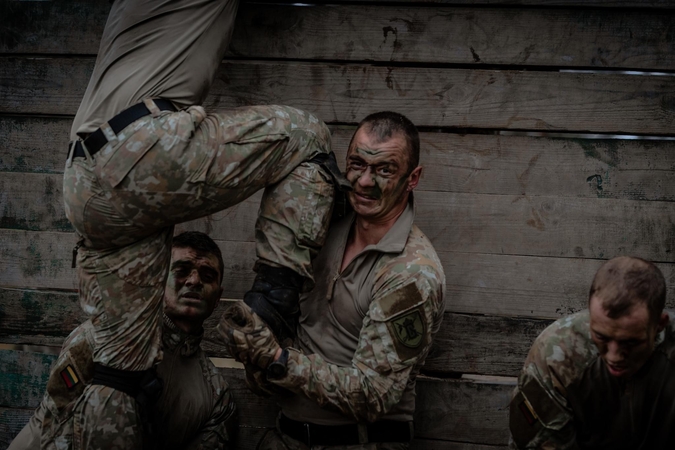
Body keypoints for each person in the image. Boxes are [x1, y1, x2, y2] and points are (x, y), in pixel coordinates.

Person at [63, 0, 348, 446]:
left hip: (82, 183)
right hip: (136, 154)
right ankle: (272, 308)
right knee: (307, 135)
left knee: (119, 371)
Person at [220, 111, 446, 449]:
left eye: (384, 170)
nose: (365, 181)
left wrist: (280, 361)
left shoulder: (411, 274)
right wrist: (258, 347)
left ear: (413, 178)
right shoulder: (325, 231)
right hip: (287, 437)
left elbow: (374, 395)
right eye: (356, 164)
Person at [8, 231, 237, 450]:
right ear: (158, 280)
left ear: (218, 297)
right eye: (182, 270)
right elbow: (56, 422)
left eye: (207, 276)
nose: (194, 281)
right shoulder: (106, 336)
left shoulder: (216, 395)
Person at [509, 256, 675, 449]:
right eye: (601, 337)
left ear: (660, 325)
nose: (614, 356)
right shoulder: (557, 356)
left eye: (630, 342)